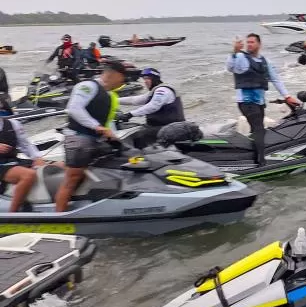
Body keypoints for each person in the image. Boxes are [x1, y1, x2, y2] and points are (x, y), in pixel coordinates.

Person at [54, 62, 128, 212]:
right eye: (122, 80)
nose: (122, 84)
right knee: (73, 178)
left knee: (112, 165)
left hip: (95, 139)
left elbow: (103, 120)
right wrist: (97, 127)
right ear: (113, 75)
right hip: (78, 137)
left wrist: (110, 134)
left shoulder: (108, 95)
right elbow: (74, 109)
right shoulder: (88, 86)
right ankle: (60, 216)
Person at [226, 33, 299, 167]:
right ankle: (261, 163)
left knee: (257, 129)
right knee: (259, 129)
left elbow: (276, 79)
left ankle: (250, 155)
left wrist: (287, 96)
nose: (249, 44)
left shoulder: (265, 62)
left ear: (259, 44)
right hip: (246, 102)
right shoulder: (242, 57)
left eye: (252, 42)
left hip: (259, 102)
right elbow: (231, 68)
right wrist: (235, 52)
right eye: (248, 42)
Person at [117, 68, 186, 148]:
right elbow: (134, 100)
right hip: (163, 127)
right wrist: (113, 100)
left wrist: (130, 114)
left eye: (148, 78)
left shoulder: (162, 90)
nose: (145, 81)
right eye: (144, 79)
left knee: (137, 137)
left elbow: (153, 106)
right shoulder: (154, 91)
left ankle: (139, 157)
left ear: (155, 79)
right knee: (137, 129)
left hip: (169, 128)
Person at [0, 115, 46, 213]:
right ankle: (12, 215)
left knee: (59, 165)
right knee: (28, 175)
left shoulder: (13, 124)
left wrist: (37, 157)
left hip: (12, 161)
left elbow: (25, 144)